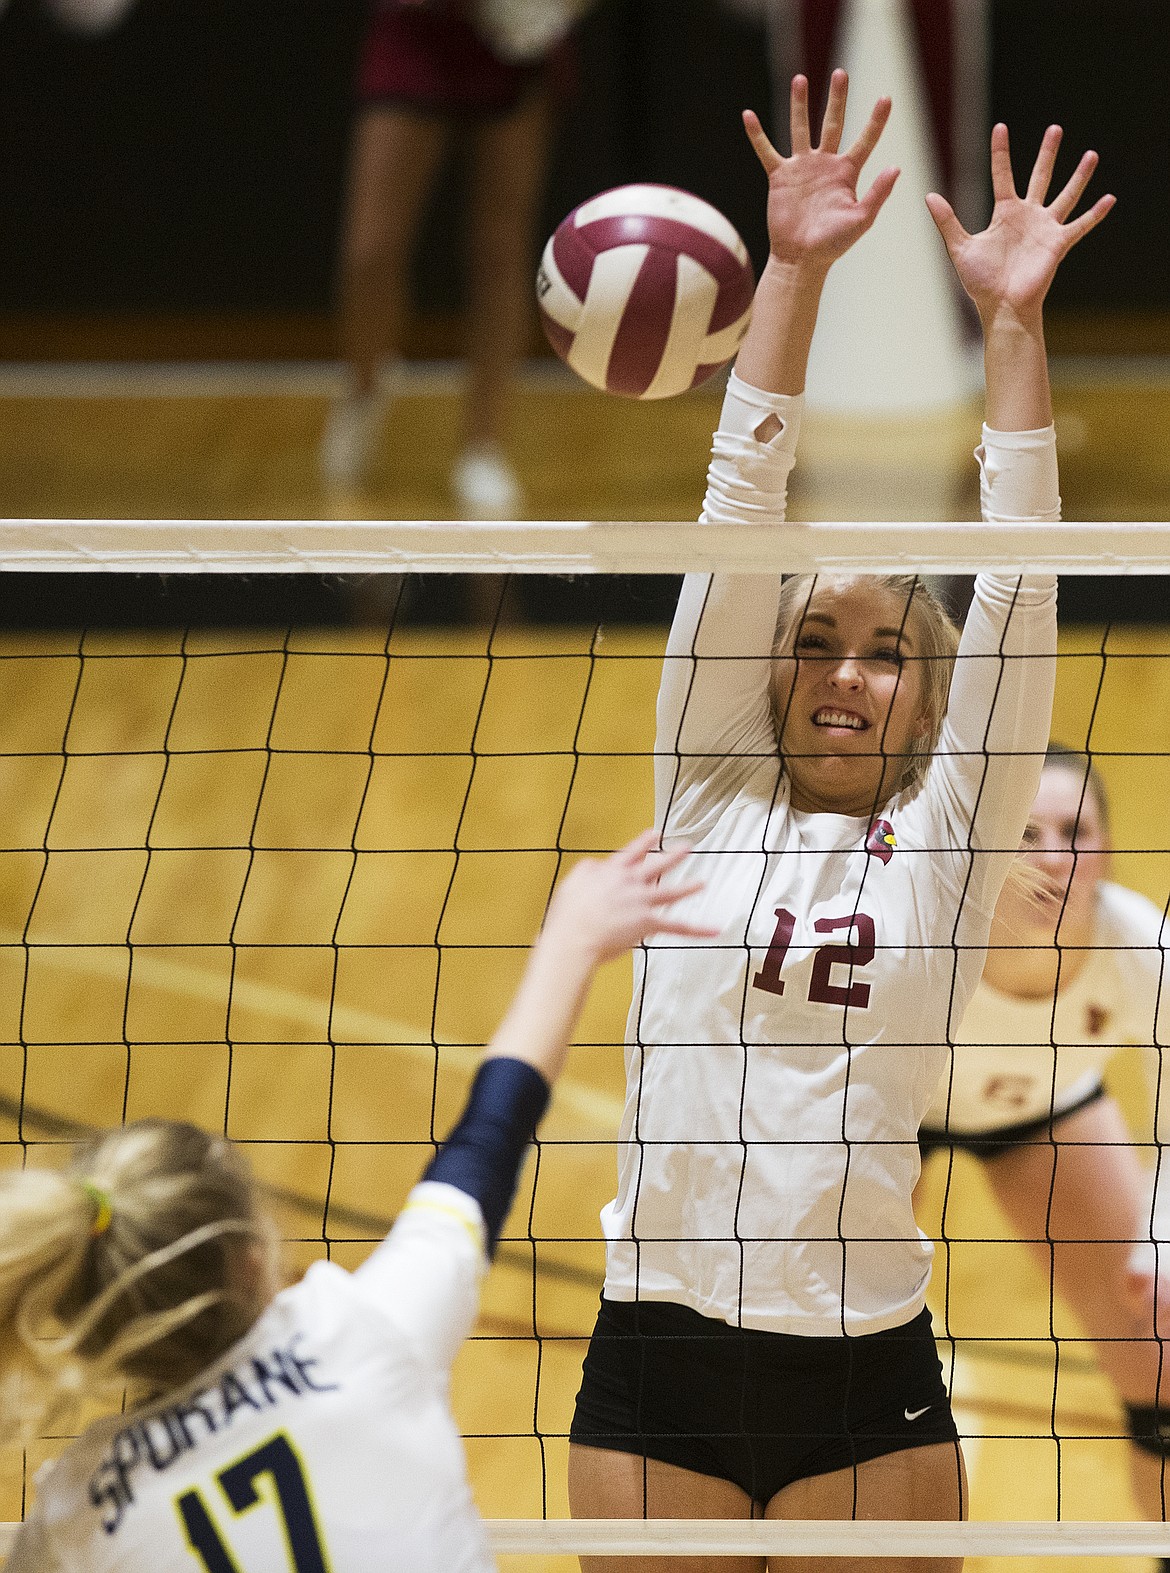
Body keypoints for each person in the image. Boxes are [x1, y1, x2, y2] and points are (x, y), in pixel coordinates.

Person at [566, 69, 1113, 1573]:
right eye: (811, 641)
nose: (842, 674)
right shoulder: (703, 782)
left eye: (881, 650)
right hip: (653, 1354)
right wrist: (790, 271)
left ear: (926, 699)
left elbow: (1018, 584)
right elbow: (742, 508)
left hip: (862, 1371)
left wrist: (1011, 325)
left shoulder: (947, 842)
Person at [2, 830, 713, 1571]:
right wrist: (571, 937)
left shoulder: (73, 1516)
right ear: (251, 1258)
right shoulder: (360, 1336)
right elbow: (487, 1139)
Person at [918, 745, 1170, 1542]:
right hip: (888, 1119)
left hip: (1046, 1112)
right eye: (1024, 831)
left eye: (1076, 831)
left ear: (1108, 849)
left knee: (1163, 1365)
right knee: (822, 1348)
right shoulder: (921, 927)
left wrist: (1162, 1243)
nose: (1053, 857)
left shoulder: (1142, 948)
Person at [319, 0, 574, 516]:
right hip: (416, 32)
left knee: (500, 252)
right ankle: (365, 388)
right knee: (371, 251)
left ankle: (483, 445)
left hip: (515, 42)